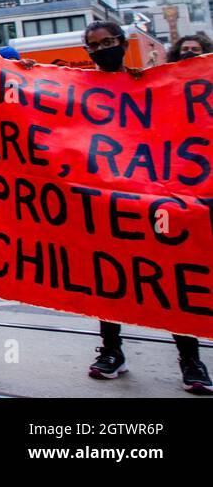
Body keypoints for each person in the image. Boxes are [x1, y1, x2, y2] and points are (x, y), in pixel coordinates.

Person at [77, 20, 211, 394]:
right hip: (107, 203)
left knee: (168, 277)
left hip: (155, 202)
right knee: (110, 278)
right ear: (88, 52)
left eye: (110, 42)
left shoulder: (148, 83)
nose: (103, 48)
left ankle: (190, 359)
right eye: (95, 45)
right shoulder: (80, 88)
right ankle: (112, 351)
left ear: (122, 42)